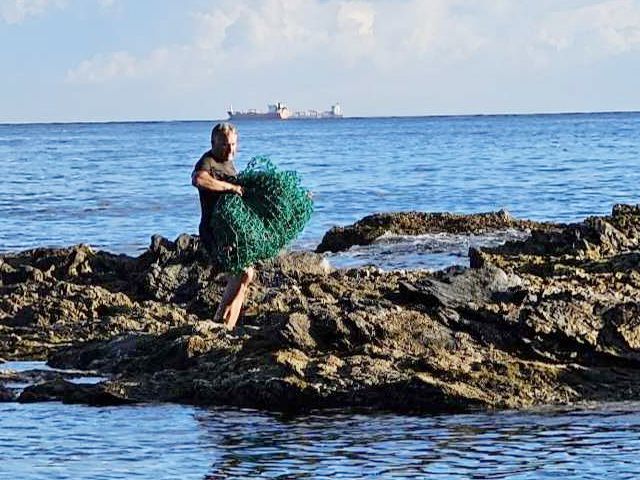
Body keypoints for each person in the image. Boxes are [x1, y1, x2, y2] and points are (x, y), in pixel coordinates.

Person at [191, 122, 255, 330]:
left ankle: (227, 325)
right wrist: (230, 187)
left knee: (247, 275)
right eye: (225, 145)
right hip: (213, 230)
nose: (231, 149)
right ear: (213, 143)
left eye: (234, 144)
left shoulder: (229, 163)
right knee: (241, 272)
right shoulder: (208, 161)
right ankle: (220, 323)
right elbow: (198, 179)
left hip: (230, 231)